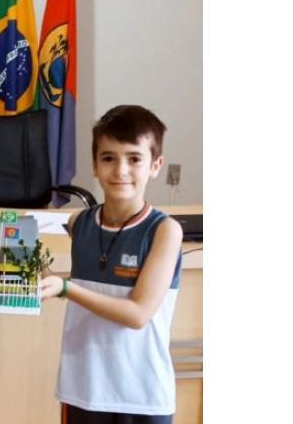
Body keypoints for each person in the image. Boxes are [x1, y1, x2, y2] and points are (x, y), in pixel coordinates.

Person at [39, 105, 184, 424]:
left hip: (143, 397)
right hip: (84, 391)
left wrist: (65, 288)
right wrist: (44, 273)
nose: (120, 170)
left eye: (134, 159)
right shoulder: (79, 223)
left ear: (155, 166)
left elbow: (137, 314)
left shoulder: (164, 231)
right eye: (108, 158)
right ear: (94, 165)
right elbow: (88, 285)